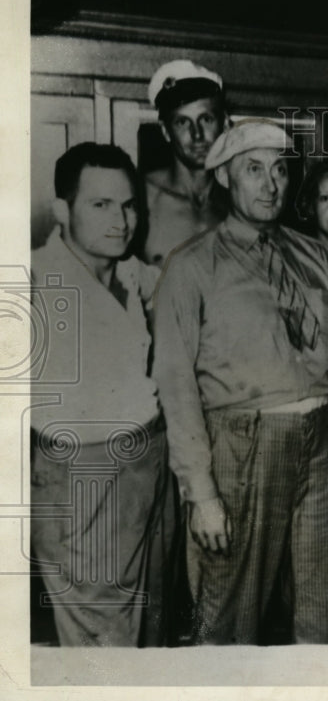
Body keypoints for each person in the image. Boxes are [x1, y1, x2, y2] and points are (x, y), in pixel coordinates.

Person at [152, 119, 328, 645]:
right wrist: (201, 493)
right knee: (229, 616)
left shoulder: (316, 257)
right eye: (253, 170)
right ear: (227, 179)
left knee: (318, 613)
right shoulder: (191, 267)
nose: (270, 183)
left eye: (279, 169)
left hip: (319, 444)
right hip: (240, 445)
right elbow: (176, 387)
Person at [31, 143, 173, 646]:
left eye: (129, 204)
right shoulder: (32, 282)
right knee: (102, 644)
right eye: (101, 205)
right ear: (62, 210)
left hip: (147, 462)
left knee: (147, 626)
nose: (121, 220)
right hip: (83, 475)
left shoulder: (132, 274)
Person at [143, 59, 229, 266]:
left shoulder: (241, 200)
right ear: (165, 131)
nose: (197, 134)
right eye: (182, 122)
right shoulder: (142, 197)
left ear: (224, 124)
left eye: (206, 119)